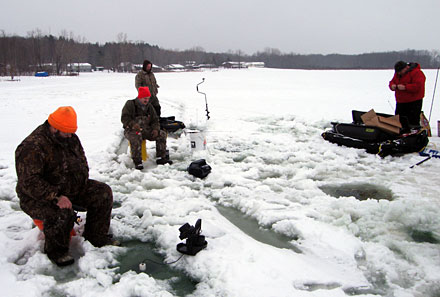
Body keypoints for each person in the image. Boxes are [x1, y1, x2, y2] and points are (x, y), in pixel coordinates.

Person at [15, 106, 119, 267]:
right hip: (38, 197)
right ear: (54, 128)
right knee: (61, 212)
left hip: (70, 188)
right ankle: (57, 251)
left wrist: (79, 184)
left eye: (71, 132)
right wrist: (56, 196)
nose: (70, 136)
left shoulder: (70, 138)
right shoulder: (32, 147)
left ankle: (96, 238)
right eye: (66, 132)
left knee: (102, 192)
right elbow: (29, 182)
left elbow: (80, 162)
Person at [121, 86, 172, 169]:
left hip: (145, 130)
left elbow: (155, 120)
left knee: (161, 134)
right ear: (140, 97)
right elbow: (124, 118)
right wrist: (133, 125)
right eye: (144, 98)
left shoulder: (149, 107)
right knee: (136, 137)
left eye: (148, 98)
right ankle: (137, 161)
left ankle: (161, 158)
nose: (146, 100)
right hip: (131, 130)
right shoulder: (130, 104)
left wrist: (155, 129)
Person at [389, 61, 426, 128]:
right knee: (399, 121)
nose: (399, 73)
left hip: (413, 102)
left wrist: (405, 87)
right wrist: (392, 86)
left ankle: (413, 136)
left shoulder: (417, 72)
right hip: (400, 102)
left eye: (400, 71)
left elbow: (418, 86)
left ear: (406, 67)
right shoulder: (398, 74)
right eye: (397, 72)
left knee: (412, 122)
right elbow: (392, 81)